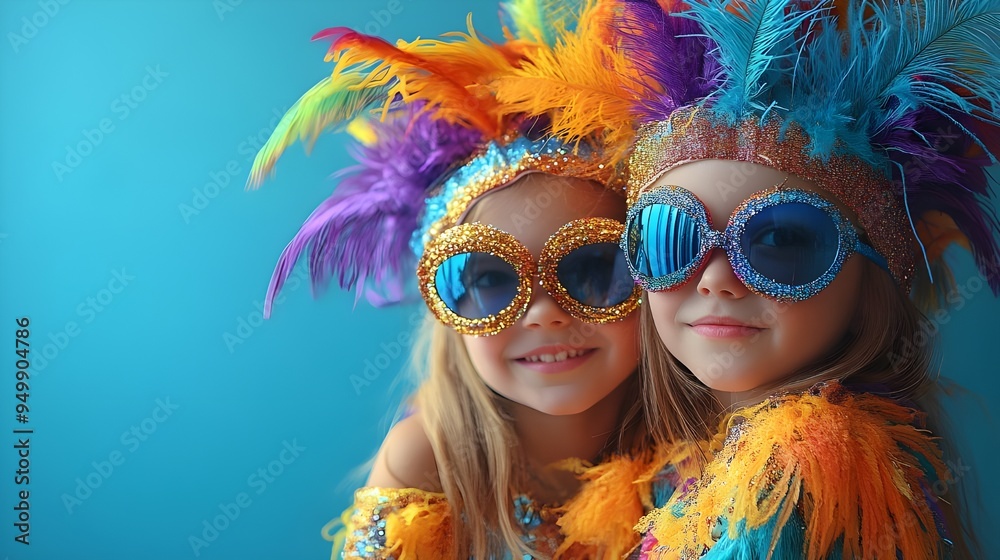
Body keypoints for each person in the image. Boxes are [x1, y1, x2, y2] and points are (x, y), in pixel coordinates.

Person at [247, 2, 663, 557]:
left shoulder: (694, 447)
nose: (543, 313)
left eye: (592, 268)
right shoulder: (427, 461)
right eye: (493, 280)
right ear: (446, 310)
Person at [602, 0, 1000, 557]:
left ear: (869, 286)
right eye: (672, 237)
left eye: (781, 241)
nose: (715, 280)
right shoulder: (689, 461)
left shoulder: (798, 475)